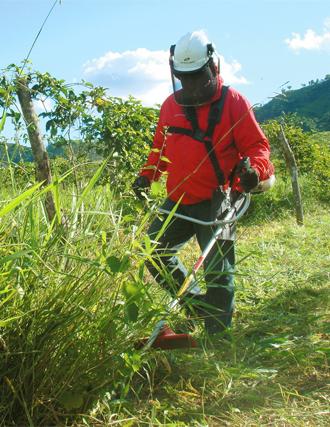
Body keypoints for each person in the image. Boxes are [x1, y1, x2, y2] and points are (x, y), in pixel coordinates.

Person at [132, 30, 274, 336]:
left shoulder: (234, 102)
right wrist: (147, 176)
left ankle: (217, 336)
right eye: (186, 78)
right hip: (179, 199)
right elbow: (160, 149)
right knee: (153, 253)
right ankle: (197, 305)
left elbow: (258, 147)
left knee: (218, 272)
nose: (193, 85)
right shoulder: (171, 105)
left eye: (198, 76)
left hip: (218, 198)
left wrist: (255, 172)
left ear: (213, 66)